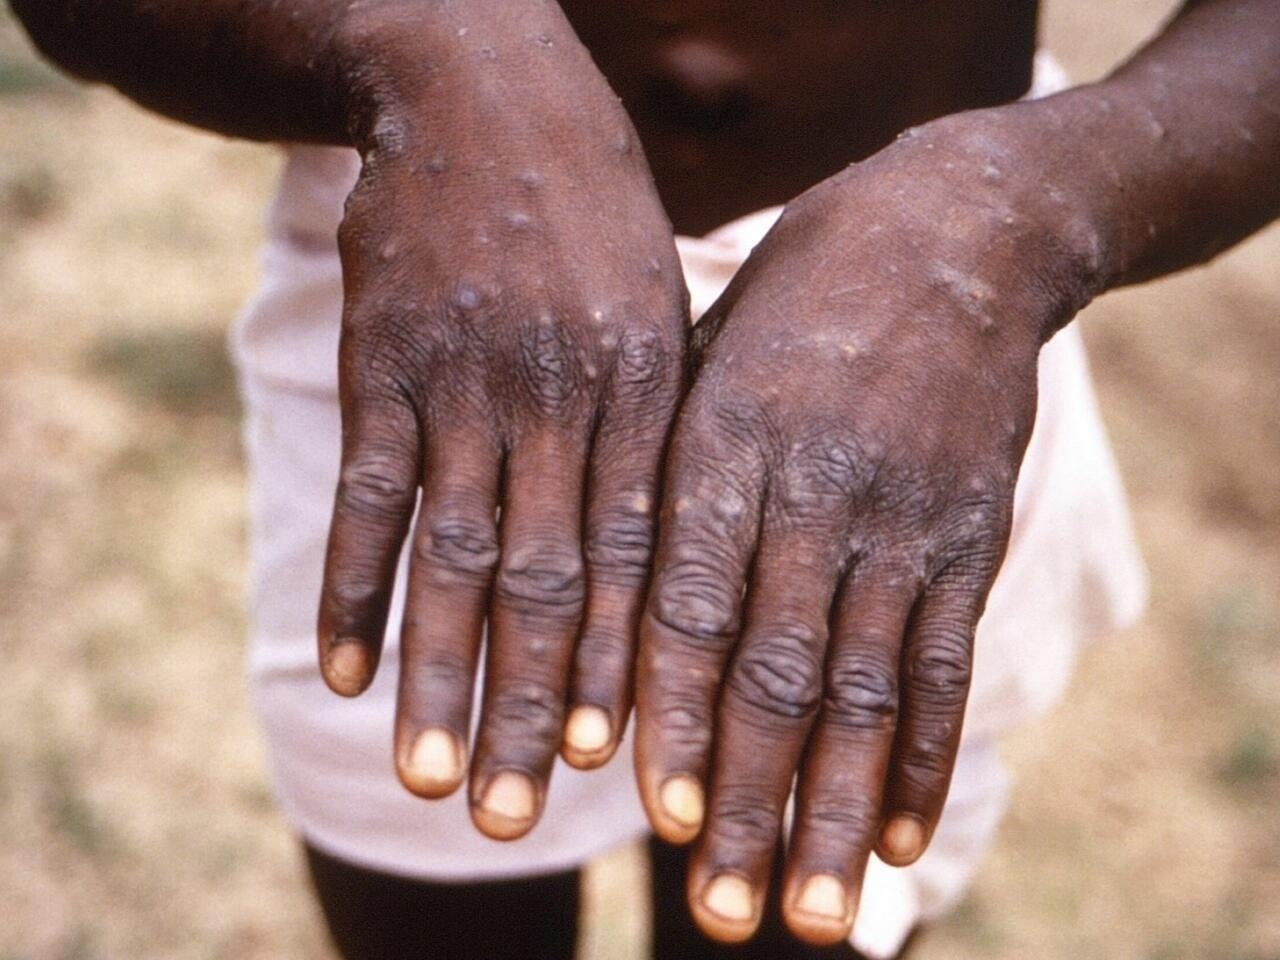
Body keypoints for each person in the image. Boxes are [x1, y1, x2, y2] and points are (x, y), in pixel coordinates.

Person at [11, 0, 1278, 957]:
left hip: (921, 336)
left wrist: (1021, 210)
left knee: (797, 905)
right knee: (428, 881)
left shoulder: (981, 250)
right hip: (454, 274)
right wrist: (419, 42)